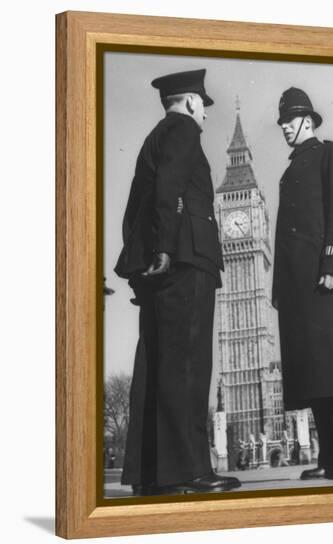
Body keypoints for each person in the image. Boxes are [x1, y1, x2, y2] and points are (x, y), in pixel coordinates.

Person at [114, 69, 241, 495]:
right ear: (189, 102)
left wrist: (143, 264)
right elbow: (169, 188)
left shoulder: (154, 138)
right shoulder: (184, 129)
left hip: (161, 267)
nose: (204, 112)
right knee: (187, 367)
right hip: (186, 261)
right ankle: (189, 471)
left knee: (156, 368)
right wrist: (168, 248)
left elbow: (135, 211)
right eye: (202, 104)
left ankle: (151, 475)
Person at [272, 87, 333, 481]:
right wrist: (281, 289)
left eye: (290, 121)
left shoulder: (330, 153)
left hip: (326, 280)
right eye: (281, 122)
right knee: (316, 375)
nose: (284, 128)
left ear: (308, 122)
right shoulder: (288, 170)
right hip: (299, 290)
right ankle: (330, 457)